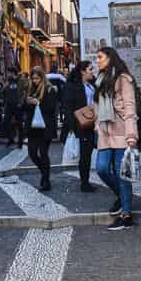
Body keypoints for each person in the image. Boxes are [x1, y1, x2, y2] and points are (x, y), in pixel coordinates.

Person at [94, 47, 139, 231]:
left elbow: (130, 108)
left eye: (100, 57)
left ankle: (126, 215)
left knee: (123, 175)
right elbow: (96, 106)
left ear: (110, 58)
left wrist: (131, 135)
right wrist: (97, 126)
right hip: (105, 133)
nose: (97, 61)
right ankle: (122, 196)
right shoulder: (99, 80)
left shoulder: (123, 80)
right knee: (101, 169)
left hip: (121, 132)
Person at [61, 60, 97, 192]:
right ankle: (85, 182)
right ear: (82, 71)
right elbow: (68, 107)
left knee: (89, 152)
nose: (92, 72)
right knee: (85, 154)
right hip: (80, 123)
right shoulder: (73, 86)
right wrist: (71, 126)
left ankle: (86, 181)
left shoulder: (93, 84)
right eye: (90, 69)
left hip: (93, 121)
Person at [24, 66, 59, 191]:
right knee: (32, 154)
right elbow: (24, 108)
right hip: (33, 128)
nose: (34, 81)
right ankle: (45, 173)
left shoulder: (50, 90)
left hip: (45, 127)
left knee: (43, 153)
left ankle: (45, 180)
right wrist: (27, 102)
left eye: (37, 78)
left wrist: (37, 103)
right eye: (33, 78)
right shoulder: (30, 89)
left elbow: (51, 108)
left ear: (42, 77)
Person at [2, 73, 25, 147]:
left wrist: (21, 103)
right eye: (10, 73)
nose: (11, 74)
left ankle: (20, 141)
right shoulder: (8, 82)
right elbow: (3, 91)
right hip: (9, 105)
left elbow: (24, 92)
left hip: (17, 105)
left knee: (19, 124)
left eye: (12, 73)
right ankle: (11, 138)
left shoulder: (20, 81)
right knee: (6, 122)